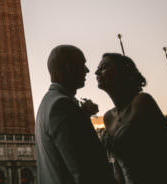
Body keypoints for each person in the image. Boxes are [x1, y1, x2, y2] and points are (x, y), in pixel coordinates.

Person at [96, 53, 167, 183]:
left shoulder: (143, 102)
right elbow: (117, 167)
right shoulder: (108, 117)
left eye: (104, 67)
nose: (97, 72)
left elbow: (166, 154)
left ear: (122, 72)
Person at [36, 45, 114, 184]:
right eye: (82, 64)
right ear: (68, 67)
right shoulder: (61, 105)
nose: (87, 70)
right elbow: (88, 172)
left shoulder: (48, 103)